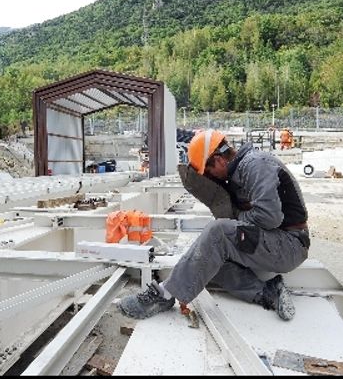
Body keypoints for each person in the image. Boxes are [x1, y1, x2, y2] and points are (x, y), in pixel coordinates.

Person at [119, 129, 310, 321]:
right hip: (274, 241)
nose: (212, 178)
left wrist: (234, 219)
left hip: (290, 246)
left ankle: (165, 295)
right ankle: (267, 293)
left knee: (218, 232)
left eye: (209, 173)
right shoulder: (240, 171)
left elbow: (269, 217)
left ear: (218, 160)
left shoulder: (256, 165)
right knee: (208, 258)